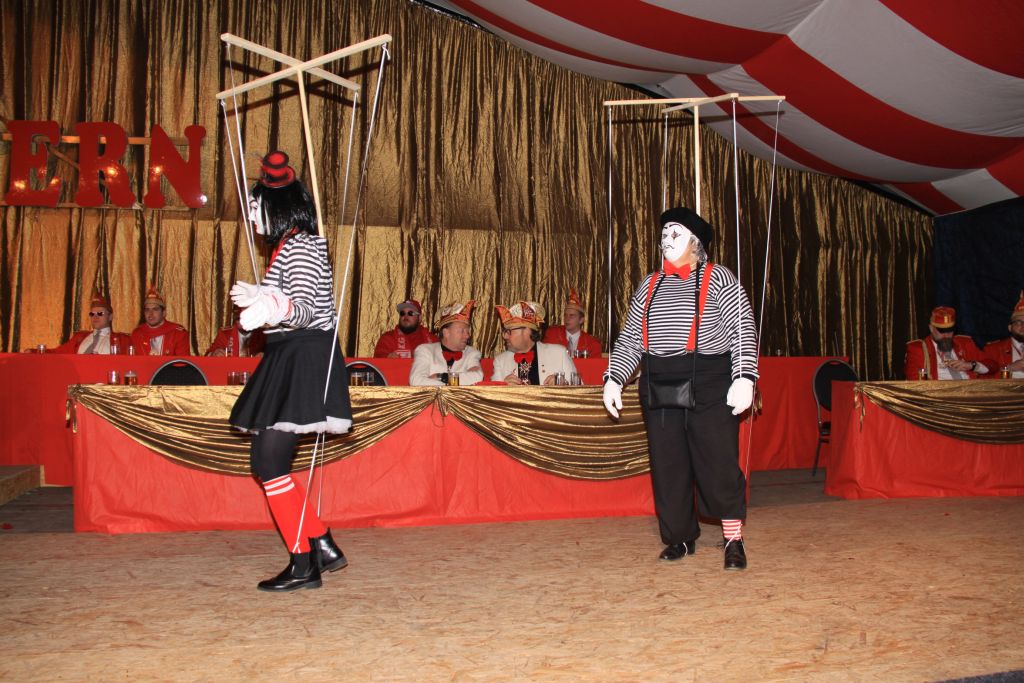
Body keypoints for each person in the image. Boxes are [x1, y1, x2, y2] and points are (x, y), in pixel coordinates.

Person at [602, 207, 757, 571]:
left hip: (709, 379)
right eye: (664, 234)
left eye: (676, 234)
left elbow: (742, 328)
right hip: (659, 381)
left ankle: (733, 539)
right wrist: (614, 377)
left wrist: (744, 376)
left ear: (696, 243)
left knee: (718, 463)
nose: (666, 240)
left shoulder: (720, 277)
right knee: (668, 465)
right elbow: (630, 339)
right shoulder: (649, 284)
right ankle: (680, 537)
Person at [228, 150, 353, 593]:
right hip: (292, 355)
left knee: (268, 463)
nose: (253, 218)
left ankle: (304, 561)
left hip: (302, 356)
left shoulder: (299, 246)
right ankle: (320, 543)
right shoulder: (292, 246)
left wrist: (273, 306)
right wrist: (266, 300)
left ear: (278, 207)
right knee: (269, 461)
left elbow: (304, 310)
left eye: (257, 208)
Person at [491, 301, 577, 385]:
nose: (505, 336)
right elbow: (492, 393)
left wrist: (564, 384)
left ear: (527, 330)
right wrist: (503, 387)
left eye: (508, 331)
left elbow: (579, 389)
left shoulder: (558, 353)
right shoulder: (500, 361)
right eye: (504, 332)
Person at [903, 306, 992, 380]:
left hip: (971, 391)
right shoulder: (918, 349)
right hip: (940, 393)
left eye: (950, 330)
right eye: (942, 331)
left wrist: (972, 365)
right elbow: (916, 382)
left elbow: (992, 365)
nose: (946, 335)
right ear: (931, 328)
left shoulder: (964, 343)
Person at [409, 300, 484, 386]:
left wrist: (441, 377)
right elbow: (416, 381)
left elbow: (477, 377)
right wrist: (457, 382)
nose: (467, 335)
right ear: (446, 333)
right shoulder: (425, 351)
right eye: (462, 331)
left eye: (467, 331)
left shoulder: (472, 353)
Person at [49, 290, 132, 354]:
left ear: (110, 317)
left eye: (100, 313)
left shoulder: (122, 340)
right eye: (92, 314)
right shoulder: (79, 338)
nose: (95, 317)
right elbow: (56, 354)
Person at [130, 285, 190, 356]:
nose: (150, 314)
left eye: (155, 309)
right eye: (147, 310)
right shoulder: (137, 334)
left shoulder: (178, 334)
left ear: (164, 313)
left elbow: (183, 361)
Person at [542, 288, 603, 358]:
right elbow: (543, 358)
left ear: (581, 320)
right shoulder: (552, 334)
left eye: (572, 315)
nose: (567, 319)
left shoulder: (592, 343)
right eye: (565, 315)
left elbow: (595, 364)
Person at [373, 299, 437, 358]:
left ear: (420, 318)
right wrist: (387, 358)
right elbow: (377, 360)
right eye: (402, 313)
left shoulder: (433, 340)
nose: (405, 316)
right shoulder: (388, 339)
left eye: (410, 313)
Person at [983, 291, 1024, 379]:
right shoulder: (993, 349)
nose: (1023, 326)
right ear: (1010, 327)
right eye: (1019, 322)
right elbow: (983, 379)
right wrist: (1009, 369)